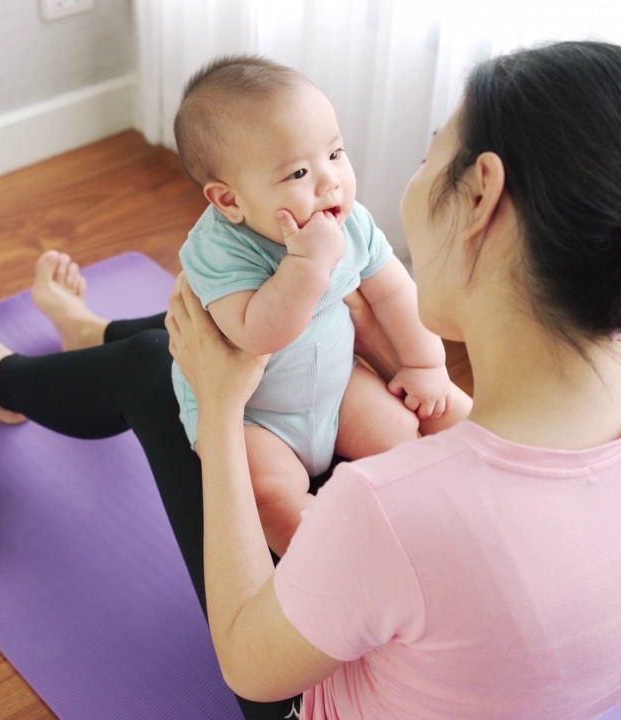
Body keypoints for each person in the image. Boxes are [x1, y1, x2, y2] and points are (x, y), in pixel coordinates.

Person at [0, 41, 621, 719]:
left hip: (299, 695)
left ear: (480, 196)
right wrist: (416, 379)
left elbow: (249, 671)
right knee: (262, 328)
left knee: (163, 368)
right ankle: (89, 330)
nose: (347, 180)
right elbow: (528, 472)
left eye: (432, 146)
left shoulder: (385, 511)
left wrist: (219, 415)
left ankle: (1, 377)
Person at [169, 57, 452, 556]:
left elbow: (393, 292)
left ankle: (413, 527)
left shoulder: (351, 222)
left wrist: (424, 361)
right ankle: (331, 556)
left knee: (405, 436)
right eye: (299, 172)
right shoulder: (217, 251)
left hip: (337, 388)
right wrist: (306, 266)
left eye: (336, 153)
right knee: (270, 498)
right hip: (253, 416)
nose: (330, 181)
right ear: (229, 201)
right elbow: (257, 335)